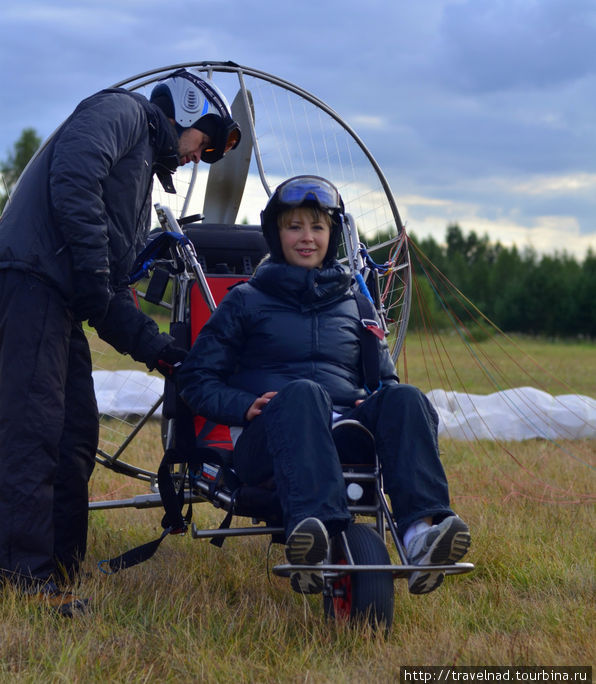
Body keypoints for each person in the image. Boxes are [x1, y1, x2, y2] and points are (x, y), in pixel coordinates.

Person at [0, 68, 241, 615]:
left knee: (75, 433)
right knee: (34, 431)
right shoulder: (123, 112)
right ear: (186, 111)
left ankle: (59, 566)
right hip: (31, 279)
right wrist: (91, 278)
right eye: (204, 142)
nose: (197, 158)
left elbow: (109, 296)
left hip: (57, 296)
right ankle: (23, 580)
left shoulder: (137, 181)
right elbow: (73, 177)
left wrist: (163, 353)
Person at [178, 175, 470, 596]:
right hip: (271, 439)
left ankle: (420, 537)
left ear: (332, 235)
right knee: (304, 393)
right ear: (276, 234)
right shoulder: (245, 300)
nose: (307, 238)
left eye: (317, 227)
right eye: (294, 226)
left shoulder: (356, 301)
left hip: (344, 434)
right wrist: (245, 406)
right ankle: (308, 537)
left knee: (405, 397)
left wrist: (373, 399)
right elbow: (195, 379)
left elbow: (384, 382)